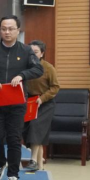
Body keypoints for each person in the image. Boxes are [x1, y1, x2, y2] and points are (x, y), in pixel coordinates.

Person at [0, 15, 43, 180]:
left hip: (17, 103)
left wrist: (22, 75)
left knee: (14, 139)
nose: (7, 32)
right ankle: (0, 163)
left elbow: (38, 69)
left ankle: (13, 175)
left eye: (11, 29)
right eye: (4, 29)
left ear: (18, 30)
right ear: (0, 30)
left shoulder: (26, 50)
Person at [23, 40, 60, 171]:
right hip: (29, 102)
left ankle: (32, 160)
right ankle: (40, 165)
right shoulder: (25, 67)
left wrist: (42, 98)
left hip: (45, 103)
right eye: (30, 52)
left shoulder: (48, 68)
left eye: (36, 52)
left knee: (36, 127)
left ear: (42, 53)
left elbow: (55, 87)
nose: (33, 55)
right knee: (33, 131)